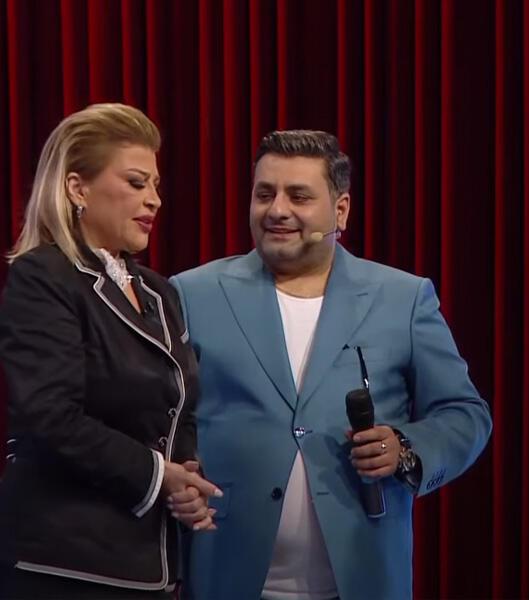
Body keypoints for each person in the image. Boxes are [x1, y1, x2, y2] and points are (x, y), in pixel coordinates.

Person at [171, 130, 492, 600]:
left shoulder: (403, 298)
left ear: (340, 211)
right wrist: (179, 473)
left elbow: (466, 415)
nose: (277, 210)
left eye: (298, 196)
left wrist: (404, 447)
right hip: (226, 576)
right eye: (265, 194)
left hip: (362, 580)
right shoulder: (191, 293)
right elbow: (161, 419)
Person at [0, 103, 221, 599]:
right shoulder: (44, 277)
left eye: (156, 185)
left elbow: (178, 412)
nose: (154, 200)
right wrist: (158, 475)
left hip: (149, 565)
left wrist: (187, 479)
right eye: (137, 183)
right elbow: (50, 417)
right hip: (62, 565)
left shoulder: (160, 293)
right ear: (77, 189)